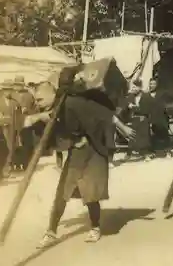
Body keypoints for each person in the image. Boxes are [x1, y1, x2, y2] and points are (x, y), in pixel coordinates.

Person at [37, 67, 135, 248]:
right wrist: (39, 118)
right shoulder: (62, 103)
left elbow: (106, 115)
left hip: (92, 152)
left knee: (90, 193)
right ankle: (51, 231)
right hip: (77, 153)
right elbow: (55, 120)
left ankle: (95, 228)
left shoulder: (81, 100)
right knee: (63, 192)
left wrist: (123, 128)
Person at [0, 79, 22, 178]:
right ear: (3, 90)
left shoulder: (15, 103)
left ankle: (7, 170)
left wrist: (18, 132)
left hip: (12, 130)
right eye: (6, 90)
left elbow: (19, 117)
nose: (8, 92)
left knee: (10, 149)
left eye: (10, 90)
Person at [120, 80, 153, 161]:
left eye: (135, 87)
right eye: (132, 87)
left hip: (143, 118)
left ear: (140, 87)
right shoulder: (130, 97)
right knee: (132, 137)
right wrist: (128, 105)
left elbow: (147, 109)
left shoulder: (146, 96)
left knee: (144, 137)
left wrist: (134, 107)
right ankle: (128, 154)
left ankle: (146, 154)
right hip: (134, 118)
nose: (133, 88)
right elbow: (124, 106)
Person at [145, 78, 172, 157]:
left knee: (164, 134)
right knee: (153, 135)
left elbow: (169, 104)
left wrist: (167, 110)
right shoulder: (147, 95)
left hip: (162, 117)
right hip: (152, 118)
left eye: (153, 84)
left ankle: (168, 151)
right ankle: (153, 152)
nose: (152, 85)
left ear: (156, 85)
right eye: (150, 84)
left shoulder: (162, 93)